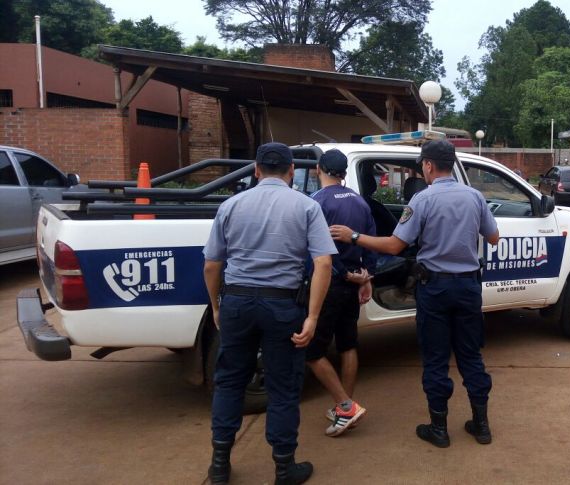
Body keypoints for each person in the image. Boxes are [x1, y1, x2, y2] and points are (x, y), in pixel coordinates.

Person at [330, 139, 500, 448]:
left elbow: (395, 246)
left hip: (434, 288)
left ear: (429, 165)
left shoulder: (422, 200)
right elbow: (493, 237)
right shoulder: (475, 197)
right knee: (471, 356)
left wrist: (354, 236)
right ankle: (481, 425)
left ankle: (439, 429)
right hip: (468, 288)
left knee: (435, 359)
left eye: (423, 164)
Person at [202, 142, 336, 485]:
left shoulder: (230, 206)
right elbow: (323, 263)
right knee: (283, 388)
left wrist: (218, 307)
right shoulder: (307, 207)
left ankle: (219, 465)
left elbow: (212, 265)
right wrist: (312, 317)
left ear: (256, 170)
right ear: (292, 171)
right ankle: (283, 467)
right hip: (282, 307)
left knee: (230, 382)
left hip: (236, 304)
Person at [307, 149, 376, 437]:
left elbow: (318, 251)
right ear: (344, 172)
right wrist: (366, 278)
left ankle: (345, 406)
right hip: (352, 283)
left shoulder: (315, 202)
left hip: (329, 284)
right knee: (348, 344)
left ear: (319, 168)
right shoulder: (360, 203)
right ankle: (346, 407)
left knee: (312, 351)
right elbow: (369, 242)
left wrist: (341, 274)